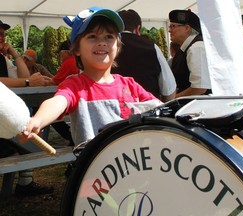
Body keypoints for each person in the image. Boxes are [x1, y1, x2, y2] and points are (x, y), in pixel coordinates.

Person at [21, 6, 160, 147]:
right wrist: (37, 120)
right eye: (92, 37)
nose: (102, 42)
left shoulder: (130, 85)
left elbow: (159, 107)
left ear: (117, 47)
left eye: (109, 37)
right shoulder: (75, 86)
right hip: (94, 166)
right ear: (76, 49)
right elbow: (57, 102)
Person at [0, 20, 53, 198]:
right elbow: (24, 80)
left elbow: (24, 76)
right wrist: (29, 82)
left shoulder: (3, 59)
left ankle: (25, 182)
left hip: (7, 128)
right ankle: (25, 182)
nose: (2, 37)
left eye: (3, 34)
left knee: (28, 124)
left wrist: (15, 54)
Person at [112, 9, 176, 102]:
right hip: (147, 110)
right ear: (138, 29)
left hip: (113, 110)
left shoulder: (106, 48)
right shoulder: (151, 47)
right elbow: (169, 90)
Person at [168, 9, 212, 97]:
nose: (169, 30)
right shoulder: (185, 49)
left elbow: (200, 88)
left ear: (187, 28)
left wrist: (173, 99)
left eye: (173, 26)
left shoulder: (197, 48)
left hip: (198, 107)